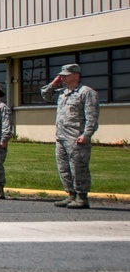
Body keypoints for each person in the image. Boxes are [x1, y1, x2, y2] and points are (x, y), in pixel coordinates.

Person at [41, 64, 99, 209]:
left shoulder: (86, 92)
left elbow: (91, 116)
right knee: (64, 168)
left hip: (76, 137)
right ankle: (71, 195)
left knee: (78, 168)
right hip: (61, 137)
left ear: (76, 75)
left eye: (66, 75)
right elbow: (45, 95)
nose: (62, 77)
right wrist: (53, 84)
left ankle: (81, 197)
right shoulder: (62, 92)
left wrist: (87, 134)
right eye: (61, 75)